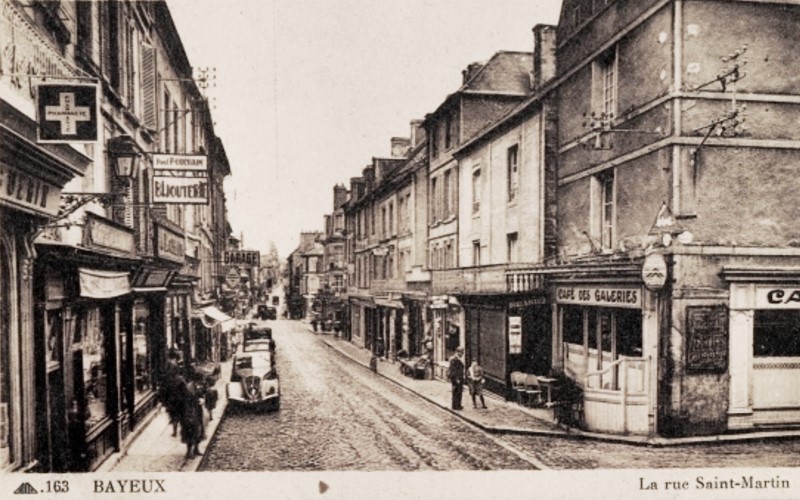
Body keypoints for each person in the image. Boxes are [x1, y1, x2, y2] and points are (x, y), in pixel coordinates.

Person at [180, 371, 205, 458]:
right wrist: (198, 401)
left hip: (196, 410)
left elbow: (199, 394)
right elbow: (187, 401)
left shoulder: (196, 386)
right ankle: (189, 452)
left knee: (198, 430)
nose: (202, 382)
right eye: (201, 380)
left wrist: (201, 399)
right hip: (190, 412)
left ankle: (196, 449)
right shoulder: (189, 388)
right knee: (190, 431)